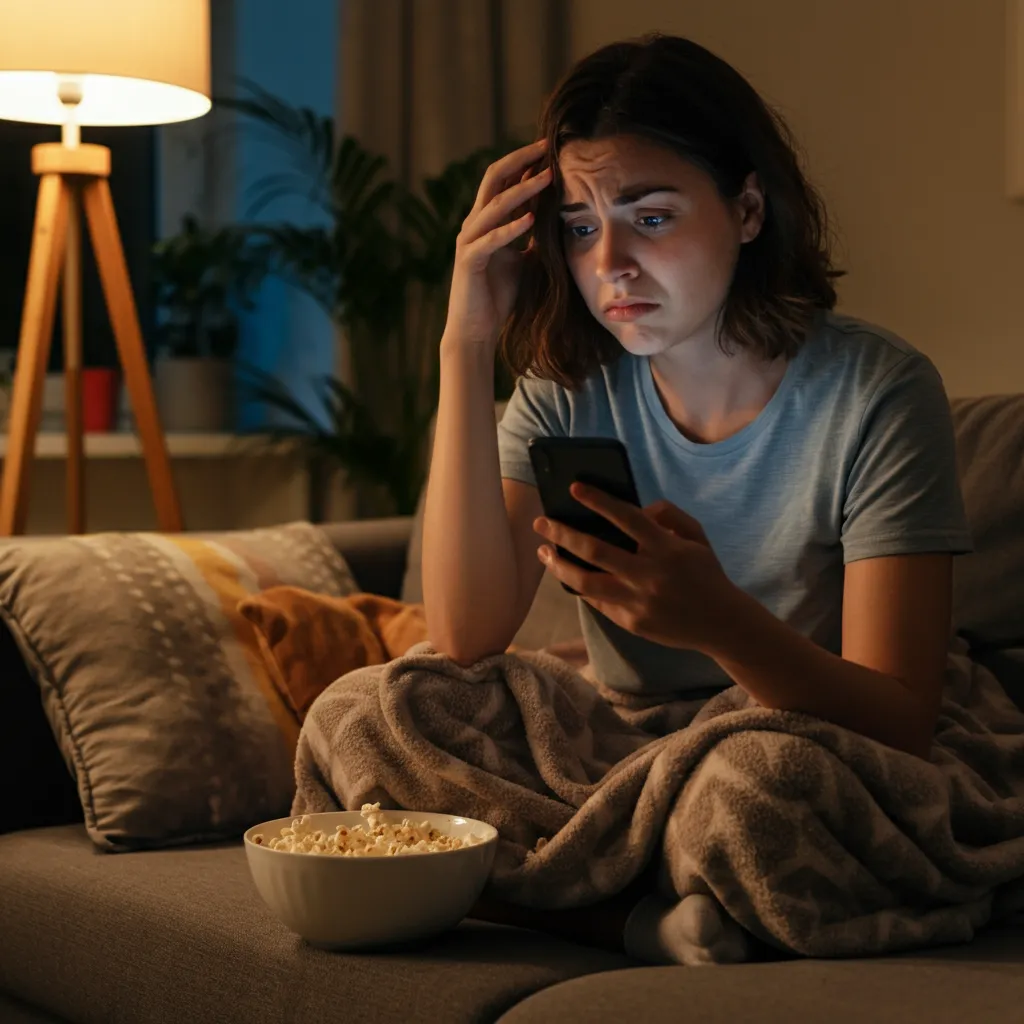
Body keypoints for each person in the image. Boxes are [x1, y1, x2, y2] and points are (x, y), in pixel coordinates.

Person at [421, 33, 972, 964]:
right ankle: (643, 918)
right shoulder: (565, 388)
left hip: (807, 740)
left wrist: (715, 618)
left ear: (748, 207)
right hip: (623, 741)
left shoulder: (876, 391)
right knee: (372, 711)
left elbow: (900, 721)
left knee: (756, 782)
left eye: (651, 216)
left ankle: (598, 891)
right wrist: (464, 343)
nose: (611, 267)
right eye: (582, 226)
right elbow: (466, 636)